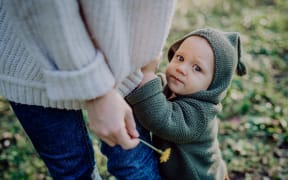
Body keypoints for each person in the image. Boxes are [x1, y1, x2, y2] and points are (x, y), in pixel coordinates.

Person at [0, 0, 176, 179]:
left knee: (136, 166)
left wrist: (147, 58)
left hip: (123, 61)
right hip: (32, 66)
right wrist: (97, 92)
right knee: (73, 170)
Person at [102, 28, 247, 179]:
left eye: (197, 68)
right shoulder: (178, 88)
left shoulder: (200, 114)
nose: (181, 69)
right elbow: (157, 88)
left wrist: (147, 75)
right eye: (180, 58)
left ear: (213, 86)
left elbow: (160, 118)